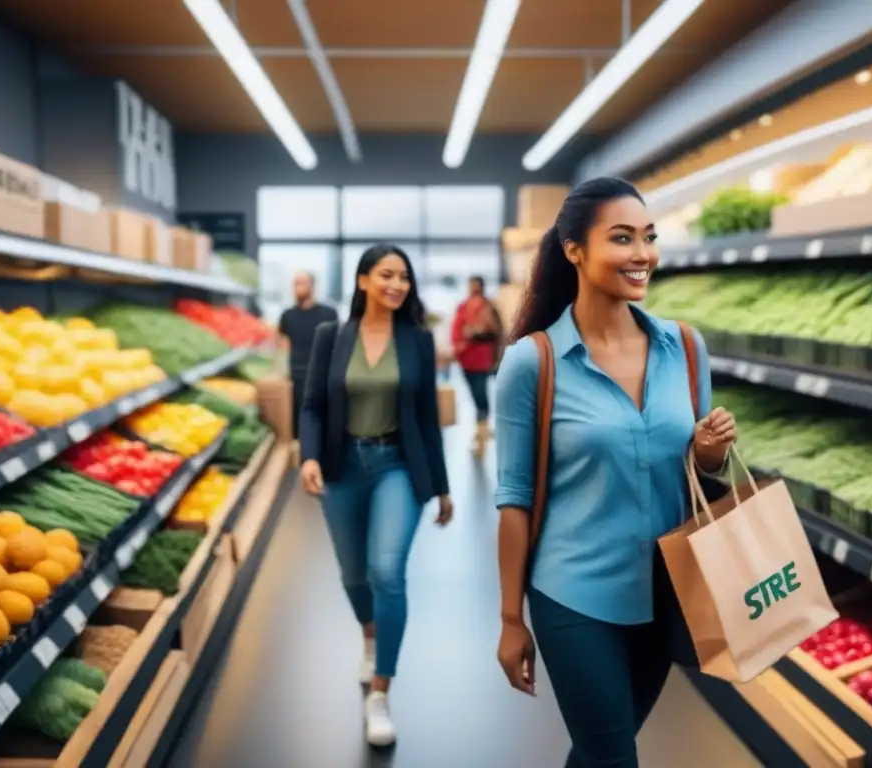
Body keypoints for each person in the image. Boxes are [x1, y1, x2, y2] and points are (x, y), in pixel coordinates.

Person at [493, 178, 737, 768]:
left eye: (649, 238)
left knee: (604, 747)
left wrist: (707, 452)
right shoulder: (534, 362)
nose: (642, 254)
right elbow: (515, 499)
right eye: (622, 238)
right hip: (574, 592)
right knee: (612, 754)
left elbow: (699, 477)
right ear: (574, 249)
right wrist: (509, 619)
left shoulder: (685, 346)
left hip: (665, 588)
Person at [298, 244, 453, 748]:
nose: (397, 284)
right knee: (353, 573)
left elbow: (427, 415)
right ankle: (369, 633)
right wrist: (309, 456)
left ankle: (380, 691)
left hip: (398, 468)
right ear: (363, 280)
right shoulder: (331, 337)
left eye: (404, 277)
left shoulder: (417, 341)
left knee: (386, 570)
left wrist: (443, 487)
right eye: (386, 275)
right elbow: (313, 406)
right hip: (343, 468)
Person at [278, 272, 338, 439]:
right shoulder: (287, 315)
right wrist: (281, 373)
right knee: (300, 423)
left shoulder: (329, 314)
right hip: (296, 376)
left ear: (312, 285)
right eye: (295, 284)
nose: (297, 288)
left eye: (301, 283)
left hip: (323, 375)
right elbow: (282, 346)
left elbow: (337, 345)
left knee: (324, 421)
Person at [451, 275, 501, 456]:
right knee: (475, 396)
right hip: (466, 358)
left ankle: (481, 435)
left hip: (481, 359)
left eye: (474, 285)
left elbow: (493, 332)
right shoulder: (463, 306)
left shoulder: (487, 307)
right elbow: (457, 330)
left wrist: (473, 334)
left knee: (481, 398)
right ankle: (481, 432)